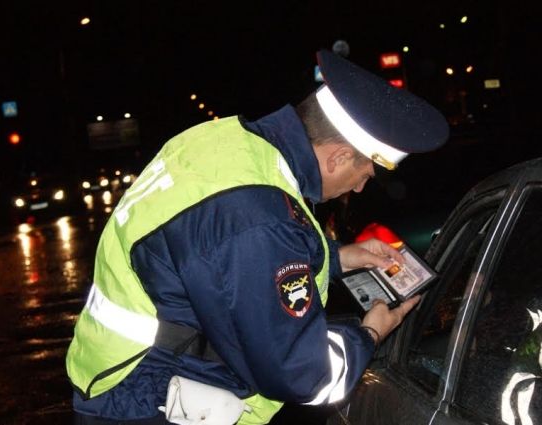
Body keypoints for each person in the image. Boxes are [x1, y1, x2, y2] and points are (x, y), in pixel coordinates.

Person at [66, 50, 449, 425]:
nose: (360, 188)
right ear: (337, 158)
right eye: (365, 174)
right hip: (152, 400)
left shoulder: (224, 142)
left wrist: (340, 257)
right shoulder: (259, 215)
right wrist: (370, 333)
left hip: (120, 379)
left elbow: (210, 252)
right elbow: (303, 376)